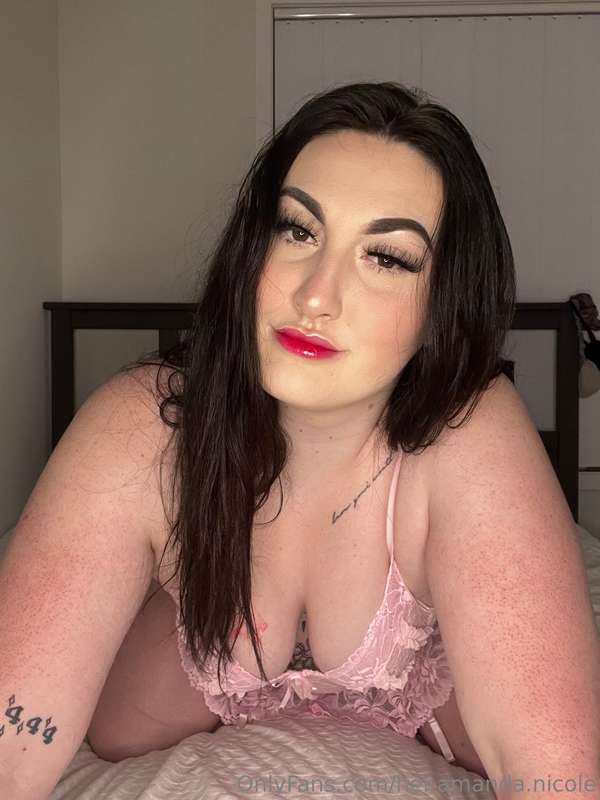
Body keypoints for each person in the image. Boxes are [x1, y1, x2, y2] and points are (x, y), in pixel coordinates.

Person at [3, 82, 598, 798]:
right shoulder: (144, 425)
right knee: (120, 730)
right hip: (187, 672)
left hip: (419, 693)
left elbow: (558, 773)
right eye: (298, 230)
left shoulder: (472, 431)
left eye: (386, 258)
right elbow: (15, 737)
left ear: (443, 305)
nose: (316, 296)